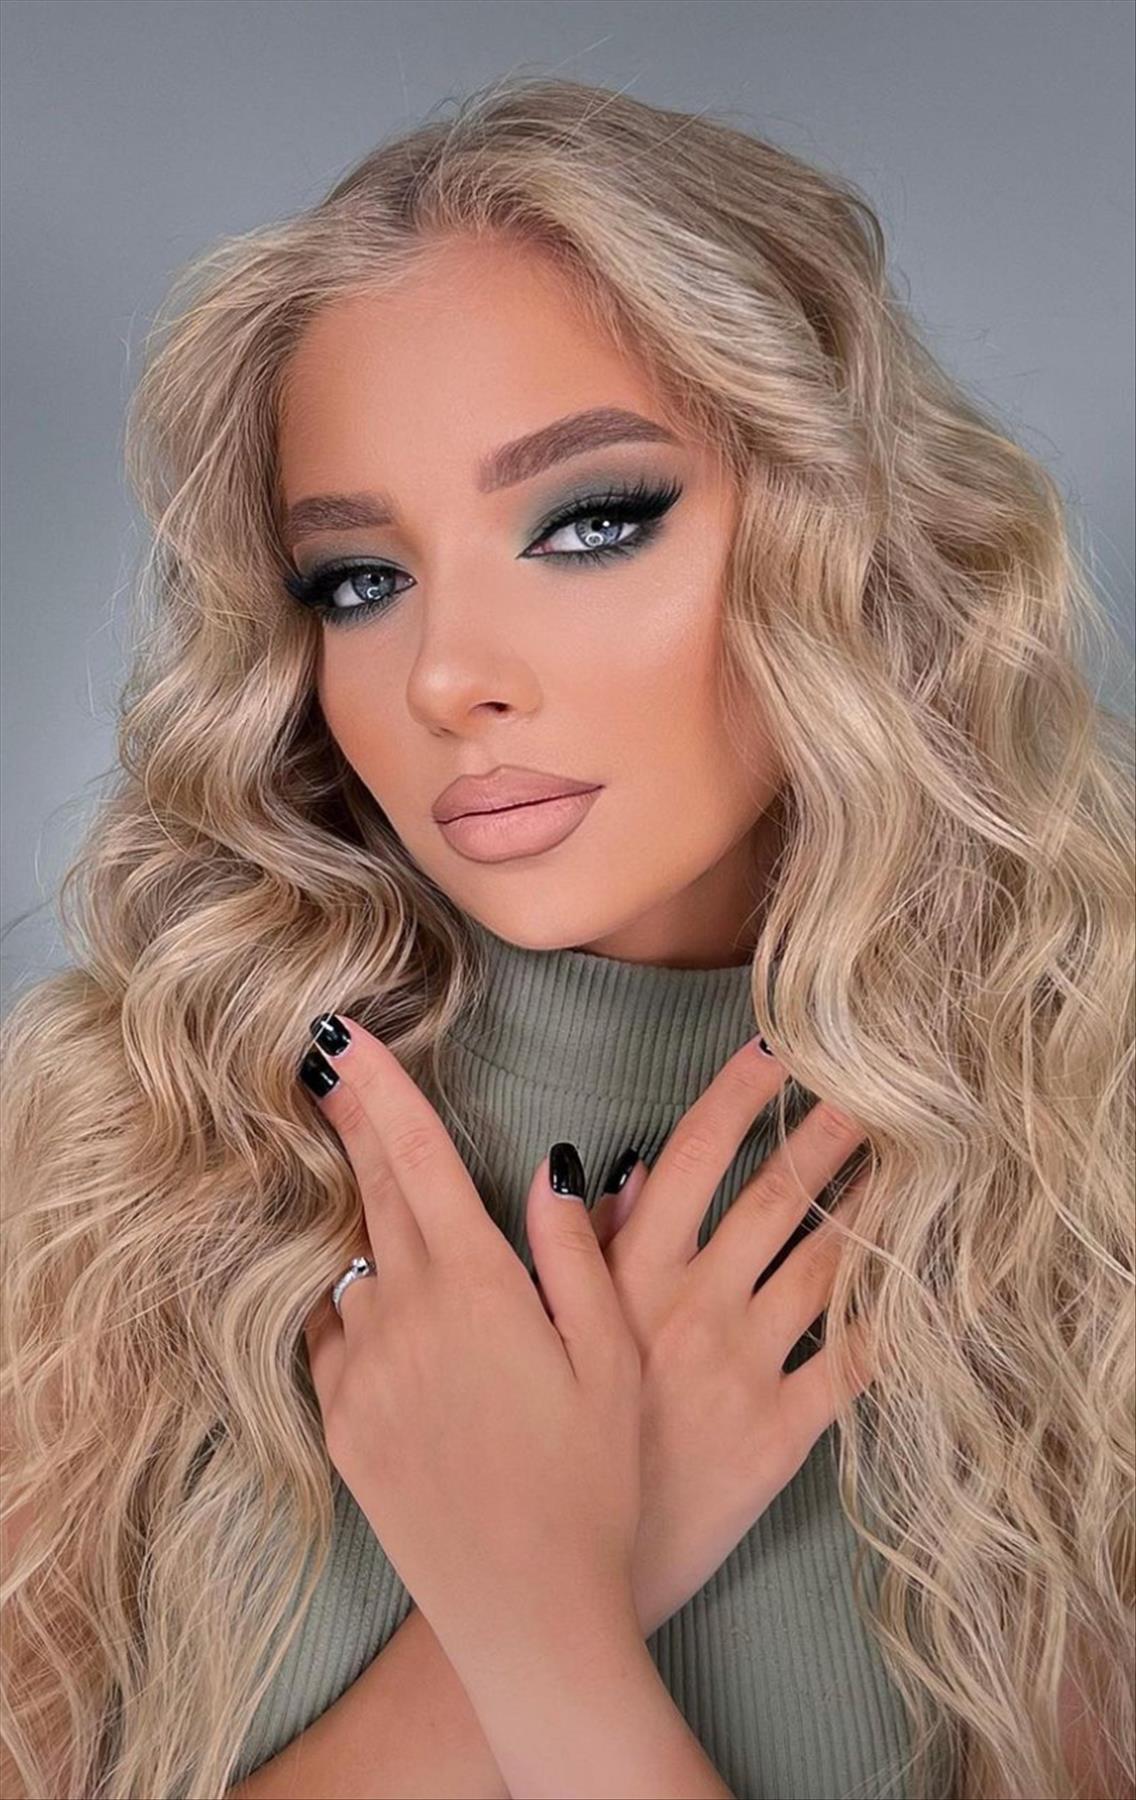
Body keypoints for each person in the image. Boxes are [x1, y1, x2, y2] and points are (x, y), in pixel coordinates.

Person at [2, 74, 1132, 1800]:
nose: (448, 674)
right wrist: (595, 1552)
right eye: (358, 580)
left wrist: (536, 1612)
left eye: (592, 521)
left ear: (843, 530)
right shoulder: (113, 1154)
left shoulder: (1079, 1167)